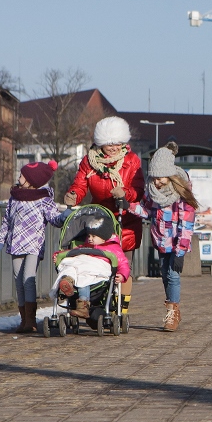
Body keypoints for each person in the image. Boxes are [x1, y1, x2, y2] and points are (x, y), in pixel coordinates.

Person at [64, 116, 145, 316]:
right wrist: (74, 195)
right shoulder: (89, 161)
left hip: (124, 218)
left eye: (117, 143)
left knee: (123, 267)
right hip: (99, 218)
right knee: (94, 262)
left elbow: (138, 189)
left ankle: (121, 309)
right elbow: (81, 184)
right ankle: (94, 302)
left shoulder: (132, 160)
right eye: (109, 143)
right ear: (100, 143)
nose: (113, 147)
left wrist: (125, 193)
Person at [123, 142, 198, 332]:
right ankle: (174, 308)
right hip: (161, 241)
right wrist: (128, 206)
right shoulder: (153, 192)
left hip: (176, 243)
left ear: (170, 174)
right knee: (165, 276)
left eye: (160, 178)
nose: (156, 182)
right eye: (154, 177)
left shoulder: (181, 193)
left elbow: (186, 225)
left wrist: (180, 252)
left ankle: (172, 314)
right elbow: (147, 211)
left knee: (172, 275)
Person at [0, 160, 66, 333]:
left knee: (28, 278)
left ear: (32, 180)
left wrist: (64, 216)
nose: (19, 178)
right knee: (18, 281)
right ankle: (24, 320)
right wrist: (0, 240)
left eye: (22, 175)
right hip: (15, 243)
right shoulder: (15, 197)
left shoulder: (44, 199)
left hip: (34, 243)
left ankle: (31, 321)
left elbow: (54, 218)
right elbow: (7, 221)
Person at [55, 214, 130, 320]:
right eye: (89, 236)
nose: (90, 239)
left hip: (96, 273)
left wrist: (122, 275)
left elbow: (123, 263)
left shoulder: (113, 248)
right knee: (71, 266)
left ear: (104, 237)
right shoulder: (86, 246)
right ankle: (68, 281)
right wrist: (58, 255)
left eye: (93, 236)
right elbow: (72, 252)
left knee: (84, 277)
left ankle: (83, 306)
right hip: (82, 269)